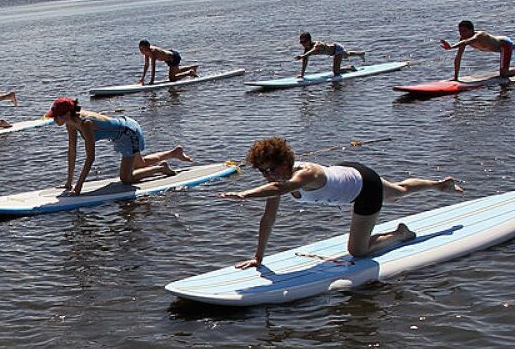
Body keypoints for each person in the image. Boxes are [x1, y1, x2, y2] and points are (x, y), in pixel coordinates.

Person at [221, 137, 463, 268]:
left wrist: (245, 195)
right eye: (263, 172)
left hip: (363, 186)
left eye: (271, 169)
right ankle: (440, 185)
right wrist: (258, 258)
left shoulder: (305, 174)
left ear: (285, 162)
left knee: (357, 251)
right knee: (399, 191)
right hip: (350, 172)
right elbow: (268, 220)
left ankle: (400, 234)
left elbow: (279, 187)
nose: (268, 176)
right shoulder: (278, 181)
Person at [45, 96, 192, 194]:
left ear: (66, 115)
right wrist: (68, 183)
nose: (53, 119)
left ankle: (161, 169)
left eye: (55, 116)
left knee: (126, 179)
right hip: (122, 132)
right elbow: (72, 152)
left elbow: (90, 158)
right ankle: (175, 153)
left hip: (129, 133)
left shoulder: (86, 124)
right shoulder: (70, 123)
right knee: (139, 164)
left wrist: (78, 187)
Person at [439, 20, 513, 80]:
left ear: (472, 30)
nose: (462, 34)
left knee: (504, 74)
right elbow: (458, 57)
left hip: (504, 45)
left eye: (464, 31)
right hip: (497, 46)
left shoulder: (479, 35)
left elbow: (466, 42)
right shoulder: (462, 39)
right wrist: (456, 78)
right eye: (460, 31)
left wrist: (451, 47)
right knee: (504, 72)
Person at [296, 31, 366, 77]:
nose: (302, 44)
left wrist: (303, 56)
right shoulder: (306, 49)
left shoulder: (318, 44)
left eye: (304, 42)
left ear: (309, 40)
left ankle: (350, 68)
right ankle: (360, 54)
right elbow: (305, 61)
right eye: (301, 42)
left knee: (336, 72)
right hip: (333, 50)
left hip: (337, 50)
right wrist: (302, 74)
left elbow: (313, 51)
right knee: (347, 54)